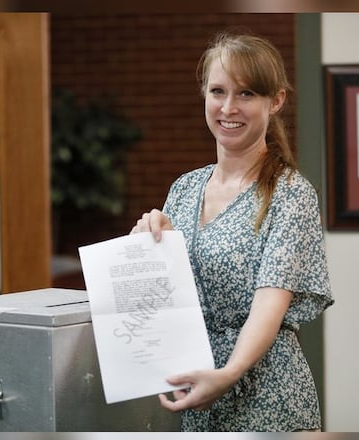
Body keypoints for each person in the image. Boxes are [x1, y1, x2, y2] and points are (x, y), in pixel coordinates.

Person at [129, 31, 334, 432]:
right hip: (193, 388)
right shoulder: (184, 188)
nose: (228, 107)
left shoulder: (290, 194)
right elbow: (167, 300)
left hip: (266, 394)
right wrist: (148, 248)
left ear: (275, 101)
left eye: (246, 94)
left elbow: (268, 307)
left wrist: (229, 373)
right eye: (217, 91)